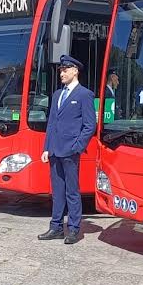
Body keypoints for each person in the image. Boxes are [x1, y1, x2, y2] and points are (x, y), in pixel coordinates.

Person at [39, 54, 96, 245]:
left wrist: (77, 147)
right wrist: (46, 147)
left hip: (70, 151)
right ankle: (55, 227)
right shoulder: (57, 94)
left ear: (75, 71)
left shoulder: (84, 95)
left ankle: (73, 229)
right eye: (60, 70)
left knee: (72, 191)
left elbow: (89, 125)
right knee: (57, 192)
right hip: (55, 150)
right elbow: (51, 123)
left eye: (65, 70)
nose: (61, 73)